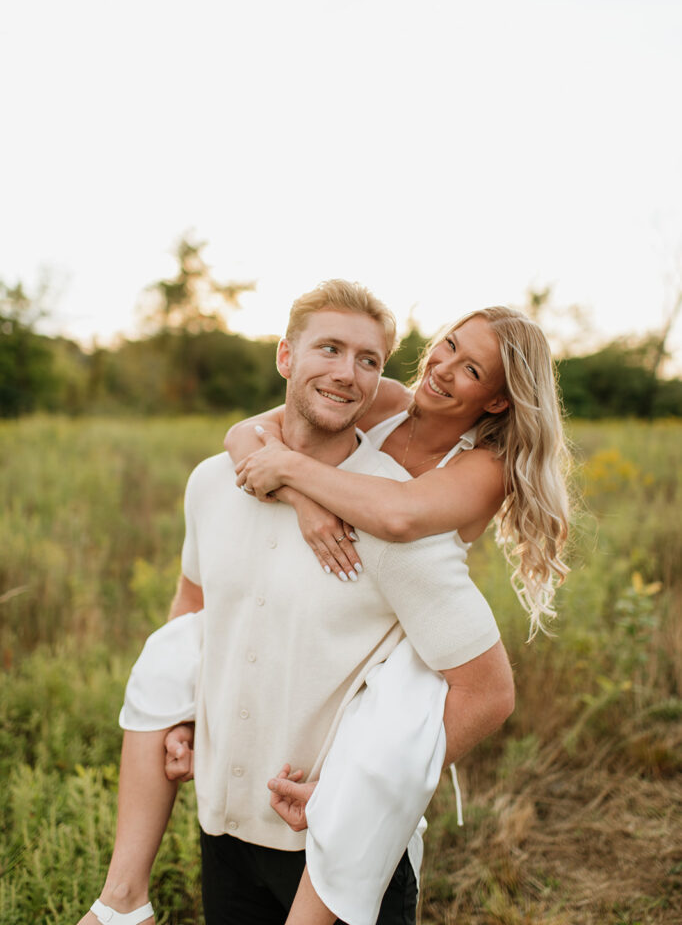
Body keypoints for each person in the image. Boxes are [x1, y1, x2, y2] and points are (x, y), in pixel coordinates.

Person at [80, 284, 567, 925]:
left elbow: (397, 518)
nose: (443, 369)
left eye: (471, 369)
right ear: (286, 356)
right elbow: (244, 445)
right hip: (225, 821)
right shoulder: (372, 407)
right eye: (447, 346)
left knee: (399, 701)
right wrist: (189, 715)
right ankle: (122, 901)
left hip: (352, 777)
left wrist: (353, 793)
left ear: (497, 399)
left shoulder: (463, 481)